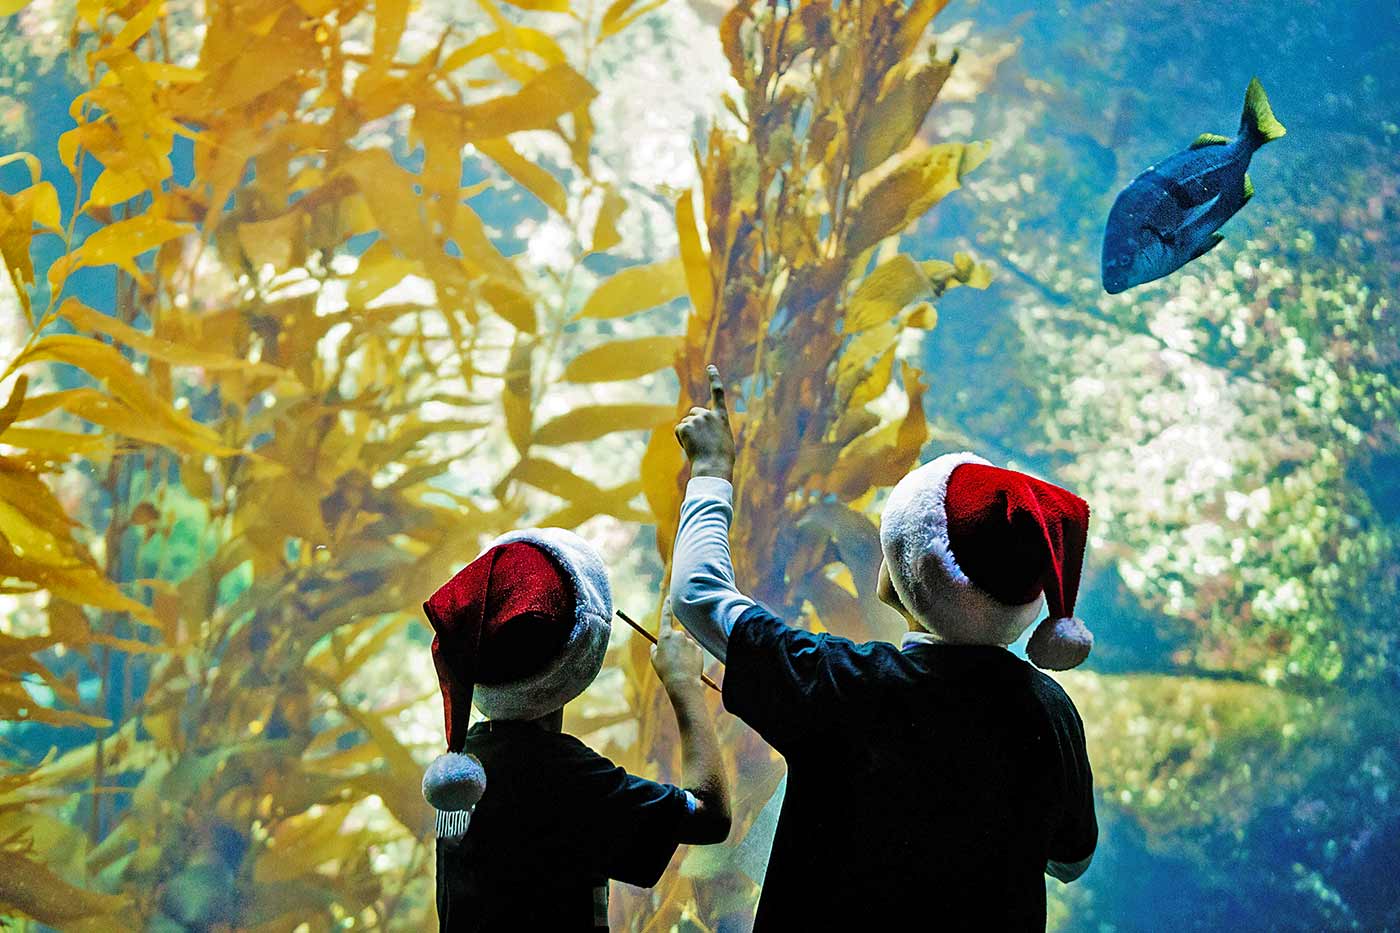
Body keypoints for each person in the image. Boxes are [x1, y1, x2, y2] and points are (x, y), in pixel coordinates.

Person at [669, 365, 1098, 931]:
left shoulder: (842, 685)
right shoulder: (1051, 711)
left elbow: (697, 595)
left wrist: (710, 469)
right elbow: (1071, 858)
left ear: (906, 574)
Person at [421, 527, 731, 932]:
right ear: (581, 655)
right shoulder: (560, 775)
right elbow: (710, 817)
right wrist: (685, 685)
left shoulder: (463, 764)